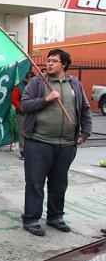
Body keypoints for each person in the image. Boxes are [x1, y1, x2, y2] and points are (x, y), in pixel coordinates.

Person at [21, 49, 92, 236]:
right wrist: (46, 99)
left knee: (59, 183)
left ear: (64, 64)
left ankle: (55, 217)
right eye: (48, 60)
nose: (49, 63)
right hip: (39, 142)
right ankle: (31, 219)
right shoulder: (37, 82)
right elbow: (25, 105)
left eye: (54, 61)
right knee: (35, 183)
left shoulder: (74, 84)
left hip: (67, 144)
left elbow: (84, 109)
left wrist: (85, 133)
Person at [12, 71, 35, 160]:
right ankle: (23, 152)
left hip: (33, 112)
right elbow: (14, 100)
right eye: (30, 80)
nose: (31, 82)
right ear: (26, 79)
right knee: (23, 132)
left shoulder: (36, 86)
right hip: (22, 113)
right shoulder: (18, 87)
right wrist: (22, 108)